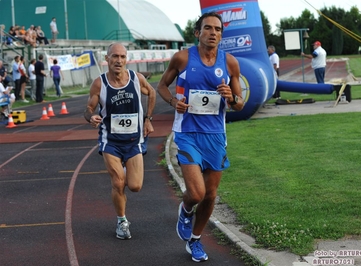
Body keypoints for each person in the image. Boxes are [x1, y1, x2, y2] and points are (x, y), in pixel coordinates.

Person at [157, 12, 244, 262]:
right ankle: (185, 210)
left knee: (211, 194)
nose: (213, 33)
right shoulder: (183, 57)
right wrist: (174, 101)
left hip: (216, 135)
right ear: (198, 33)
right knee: (196, 193)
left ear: (221, 35)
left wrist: (231, 96)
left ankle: (195, 239)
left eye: (217, 29)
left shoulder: (230, 64)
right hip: (187, 133)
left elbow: (239, 104)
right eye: (208, 28)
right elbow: (161, 86)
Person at [84, 43, 156, 240]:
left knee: (135, 186)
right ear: (106, 59)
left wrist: (148, 119)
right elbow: (89, 108)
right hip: (111, 141)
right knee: (118, 183)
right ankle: (121, 222)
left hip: (134, 141)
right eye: (115, 56)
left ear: (127, 59)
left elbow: (153, 93)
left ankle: (126, 172)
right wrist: (90, 117)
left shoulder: (136, 79)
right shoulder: (99, 84)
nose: (119, 60)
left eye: (123, 57)